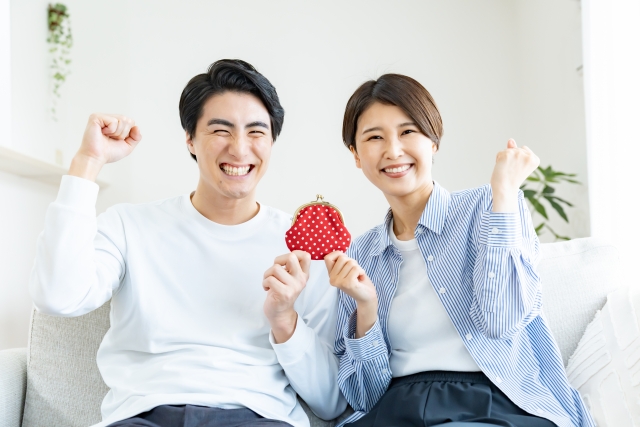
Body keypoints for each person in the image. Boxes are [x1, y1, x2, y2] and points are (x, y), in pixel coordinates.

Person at [29, 59, 346, 427]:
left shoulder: (303, 249)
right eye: (221, 130)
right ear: (190, 139)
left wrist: (284, 319)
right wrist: (88, 161)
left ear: (272, 141)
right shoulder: (129, 226)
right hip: (143, 417)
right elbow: (56, 296)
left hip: (258, 418)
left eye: (256, 132)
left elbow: (330, 402)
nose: (240, 149)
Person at [324, 74, 594, 427]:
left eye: (408, 131)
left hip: (494, 401)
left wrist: (504, 192)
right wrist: (366, 308)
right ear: (356, 155)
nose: (393, 150)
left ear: (433, 141)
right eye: (375, 137)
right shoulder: (361, 252)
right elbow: (364, 397)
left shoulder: (491, 207)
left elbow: (500, 322)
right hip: (398, 407)